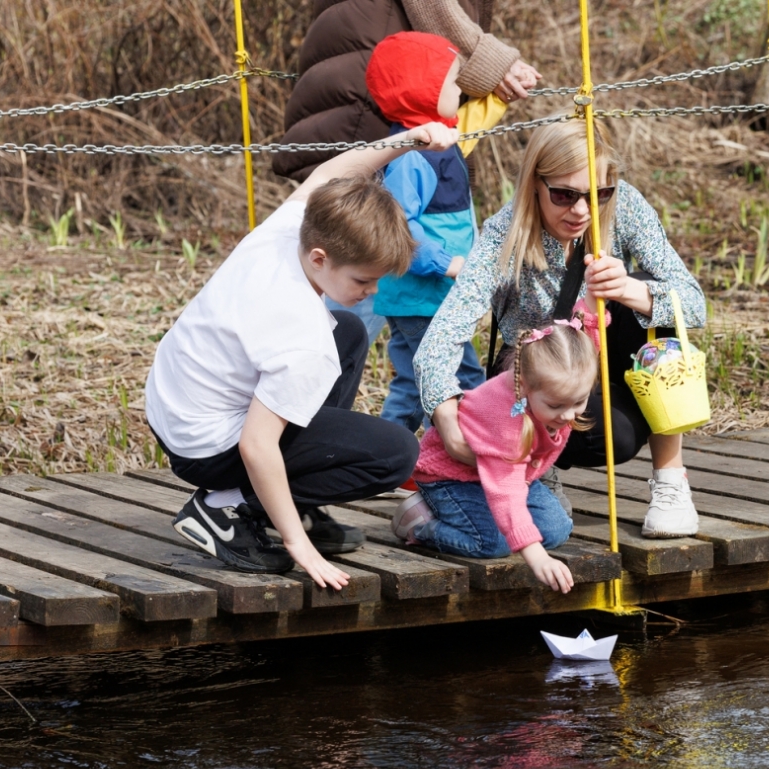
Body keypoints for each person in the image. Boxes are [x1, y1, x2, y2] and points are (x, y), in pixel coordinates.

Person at [144, 120, 461, 589]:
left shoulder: (290, 229)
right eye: (362, 281)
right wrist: (299, 546)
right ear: (320, 258)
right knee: (396, 452)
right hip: (205, 447)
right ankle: (225, 508)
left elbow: (335, 170)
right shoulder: (301, 337)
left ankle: (289, 500)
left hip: (174, 406)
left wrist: (408, 139)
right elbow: (257, 445)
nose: (371, 291)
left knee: (349, 331)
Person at [412, 121, 707, 538]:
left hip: (602, 369)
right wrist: (448, 423)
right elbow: (439, 340)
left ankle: (671, 481)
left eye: (599, 194)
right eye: (565, 195)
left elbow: (693, 305)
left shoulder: (625, 208)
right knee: (575, 490)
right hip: (533, 382)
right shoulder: (505, 234)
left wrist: (631, 290)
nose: (582, 211)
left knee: (649, 297)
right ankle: (535, 467)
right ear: (536, 183)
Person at [392, 316, 598, 592]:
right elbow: (506, 489)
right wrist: (536, 558)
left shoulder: (552, 387)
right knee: (494, 543)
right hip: (453, 477)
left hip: (513, 474)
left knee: (557, 528)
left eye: (579, 402)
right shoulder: (505, 419)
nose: (568, 414)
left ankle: (486, 520)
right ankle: (421, 525)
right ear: (524, 386)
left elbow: (590, 341)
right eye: (556, 404)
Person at [361, 31, 487, 431]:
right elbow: (397, 225)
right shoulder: (412, 157)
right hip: (421, 294)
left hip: (426, 296)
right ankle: (453, 458)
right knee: (459, 379)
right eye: (451, 82)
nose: (459, 90)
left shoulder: (436, 143)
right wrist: (447, 263)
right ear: (422, 92)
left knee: (415, 383)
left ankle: (388, 459)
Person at [274, 0, 540, 183]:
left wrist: (495, 97)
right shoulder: (411, 156)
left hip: (368, 71)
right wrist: (488, 61)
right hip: (381, 86)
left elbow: (464, 131)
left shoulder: (436, 135)